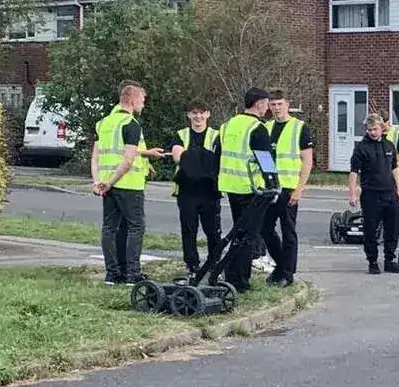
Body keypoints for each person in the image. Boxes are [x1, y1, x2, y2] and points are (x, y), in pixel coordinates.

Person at [91, 80, 164, 285]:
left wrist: (99, 182)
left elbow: (95, 157)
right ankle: (132, 274)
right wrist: (112, 182)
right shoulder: (131, 124)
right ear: (132, 99)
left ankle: (112, 274)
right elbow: (128, 160)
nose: (143, 104)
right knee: (136, 227)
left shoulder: (103, 123)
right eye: (142, 99)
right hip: (128, 184)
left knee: (109, 228)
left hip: (107, 184)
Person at [218, 89, 279, 293]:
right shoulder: (257, 127)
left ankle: (230, 275)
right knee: (248, 237)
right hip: (250, 188)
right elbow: (266, 161)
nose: (268, 108)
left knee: (238, 232)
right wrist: (273, 185)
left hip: (230, 185)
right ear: (260, 104)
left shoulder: (228, 125)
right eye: (267, 104)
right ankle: (240, 281)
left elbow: (219, 153)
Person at [262, 90, 313, 289]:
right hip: (270, 187)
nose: (276, 108)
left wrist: (299, 189)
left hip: (289, 187)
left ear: (287, 105)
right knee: (264, 228)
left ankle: (287, 274)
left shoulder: (299, 127)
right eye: (272, 105)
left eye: (279, 104)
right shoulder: (266, 127)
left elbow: (307, 161)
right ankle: (281, 266)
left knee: (288, 231)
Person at [348, 113, 399, 274]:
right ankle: (372, 261)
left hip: (390, 193)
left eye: (375, 129)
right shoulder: (361, 148)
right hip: (371, 194)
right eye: (370, 130)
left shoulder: (389, 146)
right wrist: (352, 193)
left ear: (381, 128)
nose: (372, 132)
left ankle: (389, 260)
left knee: (393, 228)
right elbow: (353, 172)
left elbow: (394, 169)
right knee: (371, 229)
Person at [170, 101, 222, 274]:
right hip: (187, 191)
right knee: (189, 230)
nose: (198, 116)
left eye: (202, 113)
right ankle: (192, 265)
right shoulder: (181, 134)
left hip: (209, 191)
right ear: (189, 115)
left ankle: (214, 264)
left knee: (213, 231)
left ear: (208, 114)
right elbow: (177, 156)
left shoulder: (217, 135)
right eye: (194, 113)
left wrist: (191, 157)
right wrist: (203, 157)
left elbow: (220, 158)